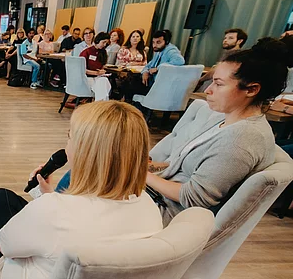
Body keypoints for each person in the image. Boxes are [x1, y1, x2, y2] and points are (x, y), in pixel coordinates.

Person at [0, 101, 162, 279]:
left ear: (85, 151)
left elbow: (5, 245)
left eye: (70, 136)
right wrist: (47, 196)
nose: (65, 147)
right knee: (13, 206)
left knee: (0, 200)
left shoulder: (55, 211)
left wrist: (45, 203)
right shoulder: (148, 206)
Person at [145, 37, 287, 224]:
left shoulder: (242, 139)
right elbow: (179, 166)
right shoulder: (224, 119)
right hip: (155, 196)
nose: (208, 90)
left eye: (219, 84)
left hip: (167, 213)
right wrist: (143, 166)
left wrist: (140, 174)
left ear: (251, 89)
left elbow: (193, 198)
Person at [122, 29, 185, 102]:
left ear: (166, 42)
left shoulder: (171, 51)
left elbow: (180, 61)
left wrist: (158, 68)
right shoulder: (158, 51)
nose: (155, 45)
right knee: (128, 82)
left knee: (130, 84)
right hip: (151, 81)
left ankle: (133, 108)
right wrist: (145, 72)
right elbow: (149, 65)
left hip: (159, 85)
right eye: (153, 42)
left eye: (158, 42)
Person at [195, 28, 248, 92]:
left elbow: (215, 72)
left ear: (239, 41)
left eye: (230, 38)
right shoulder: (231, 54)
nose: (225, 40)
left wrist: (199, 80)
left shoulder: (234, 56)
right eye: (225, 38)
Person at [77, 31, 112, 101]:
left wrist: (102, 71)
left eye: (106, 43)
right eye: (103, 42)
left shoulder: (103, 53)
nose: (104, 45)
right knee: (102, 86)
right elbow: (81, 69)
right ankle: (102, 105)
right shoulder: (87, 52)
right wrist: (96, 73)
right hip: (86, 78)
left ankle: (99, 105)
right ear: (98, 40)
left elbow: (102, 66)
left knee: (104, 81)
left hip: (98, 77)